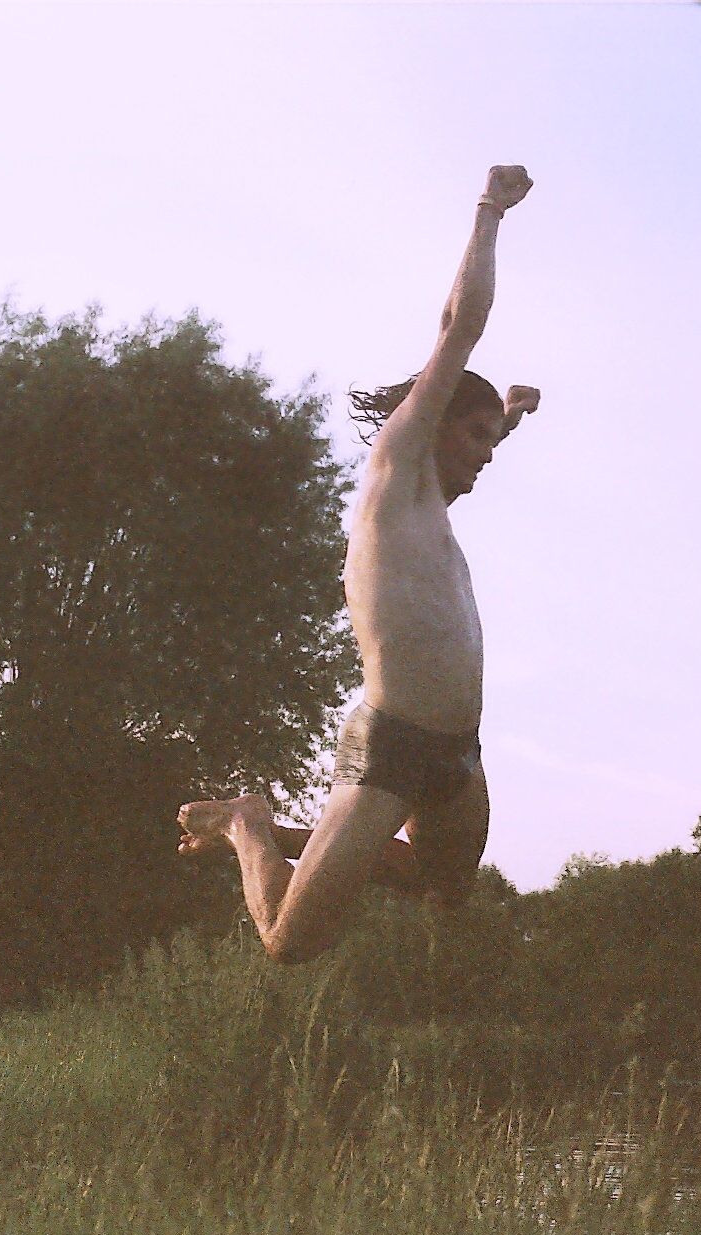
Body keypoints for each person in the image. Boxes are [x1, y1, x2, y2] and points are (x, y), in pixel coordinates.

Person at [176, 165, 537, 964]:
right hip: (389, 748)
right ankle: (246, 823)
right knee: (287, 941)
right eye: (476, 435)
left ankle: (304, 837)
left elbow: (482, 438)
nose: (487, 455)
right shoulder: (396, 472)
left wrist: (510, 413)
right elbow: (458, 329)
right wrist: (490, 211)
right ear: (431, 423)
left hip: (458, 750)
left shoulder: (431, 513)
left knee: (442, 887)